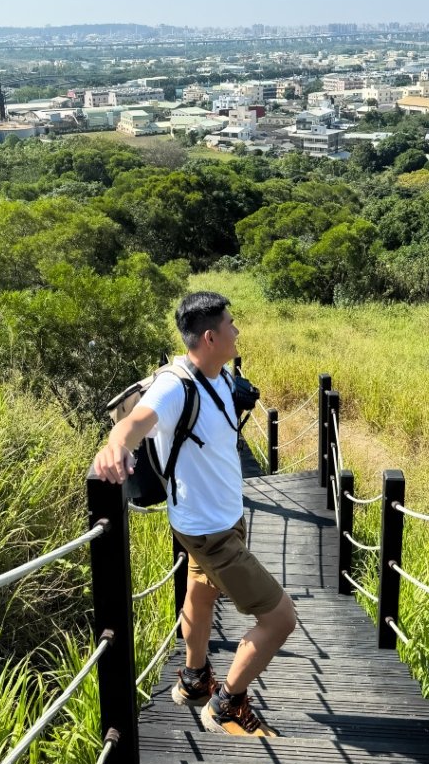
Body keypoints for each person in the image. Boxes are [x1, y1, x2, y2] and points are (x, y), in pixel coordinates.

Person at [93, 291, 296, 737]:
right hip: (210, 533)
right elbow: (136, 422)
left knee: (201, 596)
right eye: (231, 325)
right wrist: (116, 446)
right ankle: (227, 704)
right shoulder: (173, 385)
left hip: (219, 520)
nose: (237, 331)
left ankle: (193, 679)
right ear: (209, 336)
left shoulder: (218, 375)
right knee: (280, 618)